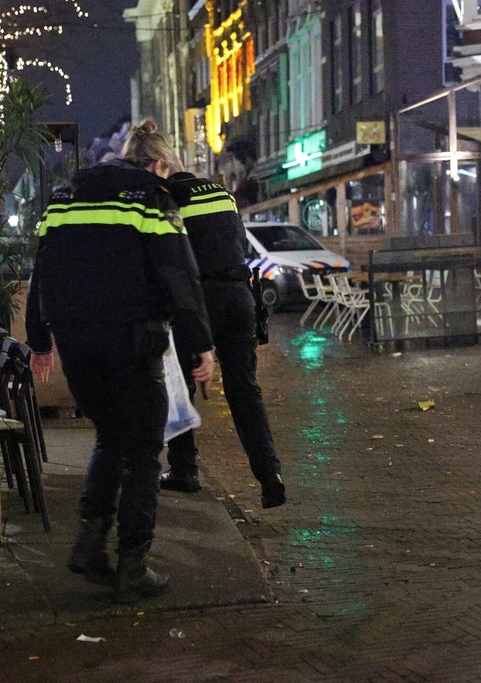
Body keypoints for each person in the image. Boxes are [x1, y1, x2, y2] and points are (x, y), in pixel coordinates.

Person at [27, 120, 215, 603]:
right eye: (167, 170)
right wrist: (200, 345)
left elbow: (40, 273)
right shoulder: (150, 201)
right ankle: (134, 563)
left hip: (76, 343)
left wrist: (40, 341)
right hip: (132, 341)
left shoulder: (63, 203)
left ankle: (91, 540)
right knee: (143, 451)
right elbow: (179, 274)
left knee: (110, 436)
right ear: (155, 164)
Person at [162, 162, 287, 509]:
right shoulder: (223, 194)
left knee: (182, 385)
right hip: (240, 297)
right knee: (245, 391)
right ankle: (269, 475)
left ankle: (184, 470)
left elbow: (173, 257)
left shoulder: (169, 198)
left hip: (201, 301)